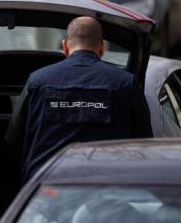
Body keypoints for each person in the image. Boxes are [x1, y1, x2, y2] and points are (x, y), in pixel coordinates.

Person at [9, 16, 152, 183]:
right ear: (102, 48)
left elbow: (14, 139)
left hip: (44, 187)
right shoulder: (125, 83)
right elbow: (145, 143)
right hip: (109, 186)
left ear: (65, 46)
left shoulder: (37, 81)